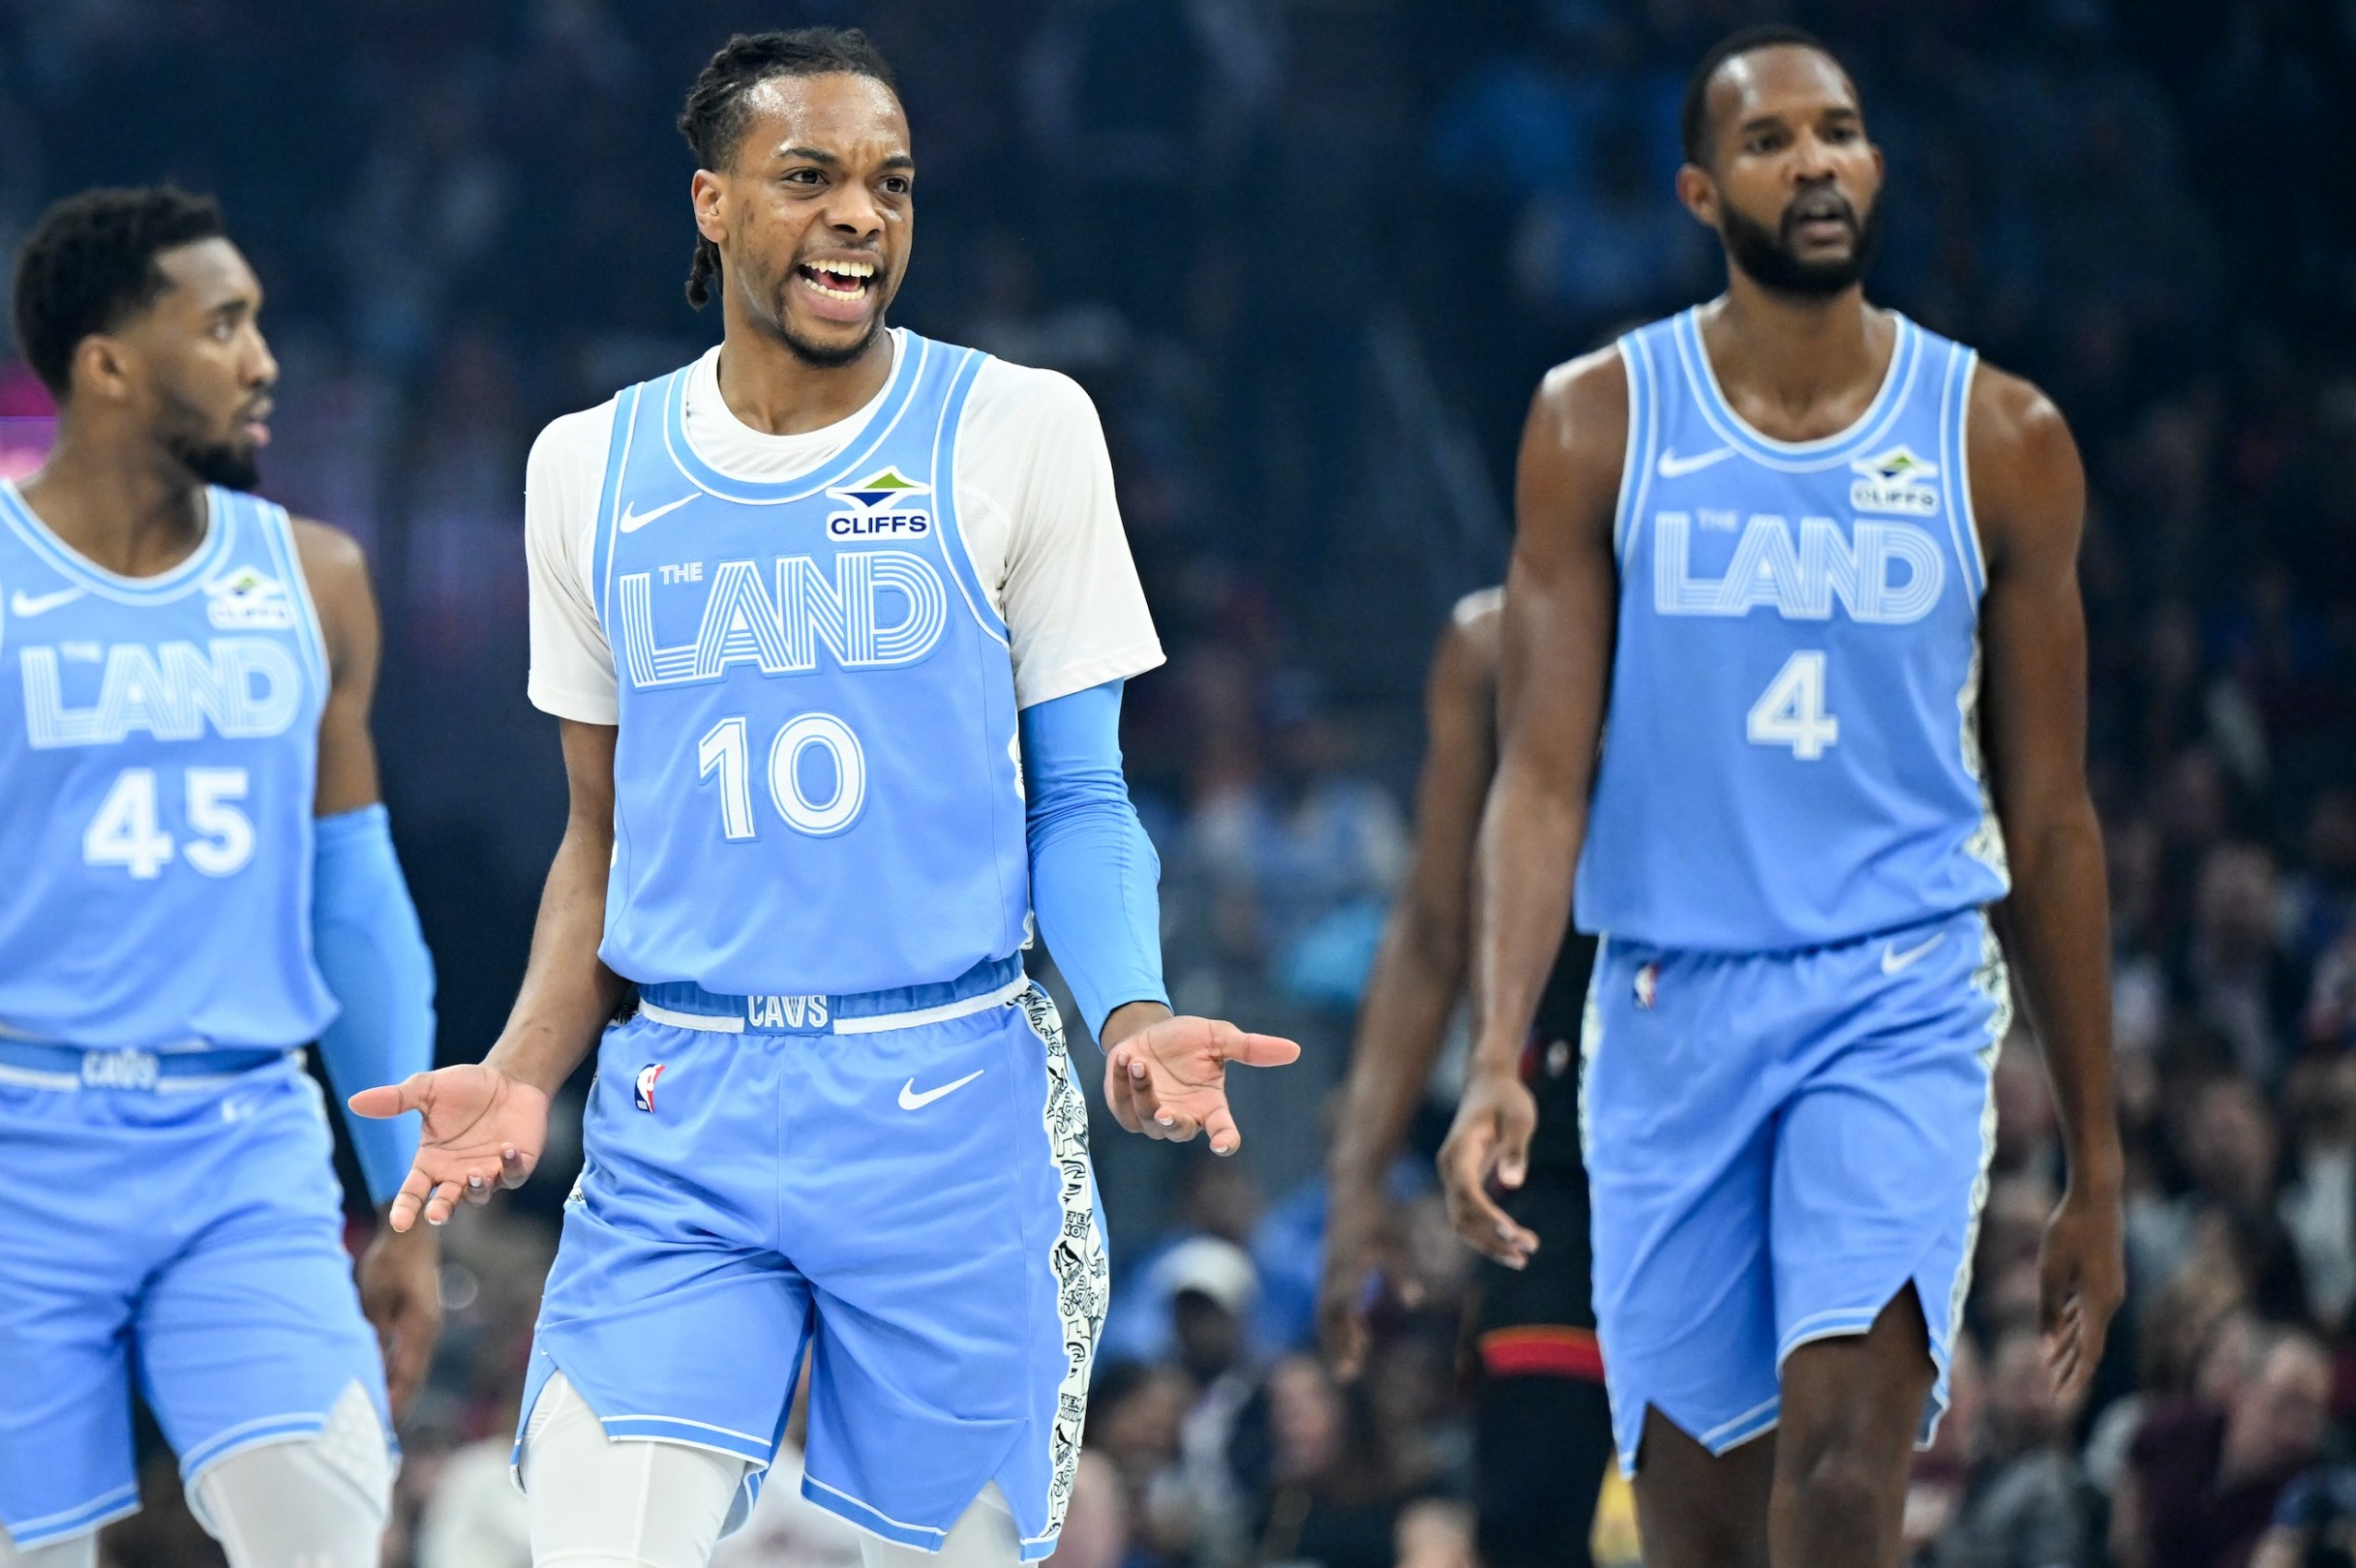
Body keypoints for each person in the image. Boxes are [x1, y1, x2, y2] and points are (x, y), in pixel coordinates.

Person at [350, 28, 1295, 1568]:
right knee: (594, 1539)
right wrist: (527, 1071)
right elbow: (602, 840)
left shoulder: (1021, 427)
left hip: (945, 1099)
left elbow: (1081, 796)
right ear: (713, 202)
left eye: (892, 182)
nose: (863, 212)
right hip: (686, 1107)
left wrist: (1128, 1012)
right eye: (812, 177)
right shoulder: (587, 468)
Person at [1439, 24, 2129, 1567]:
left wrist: (2098, 1149)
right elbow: (1539, 779)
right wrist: (1497, 1053)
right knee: (1702, 1525)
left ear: (1876, 167)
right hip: (1669, 1003)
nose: (1814, 160)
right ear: (1699, 189)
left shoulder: (2001, 438)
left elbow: (2054, 817)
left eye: (1840, 132)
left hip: (1900, 995)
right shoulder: (1596, 421)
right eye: (1769, 141)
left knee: (1841, 1458)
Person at [0, 186, 443, 1568]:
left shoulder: (316, 579)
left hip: (244, 1141)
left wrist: (407, 1203)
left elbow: (355, 900)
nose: (265, 361)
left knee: (329, 1541)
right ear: (109, 362)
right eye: (227, 324)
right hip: (3, 1149)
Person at [1318, 586, 1609, 1568]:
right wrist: (1357, 1186)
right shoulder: (1492, 646)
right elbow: (1435, 928)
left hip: (1739, 1107)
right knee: (1527, 1515)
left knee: (1750, 1503)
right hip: (1560, 1130)